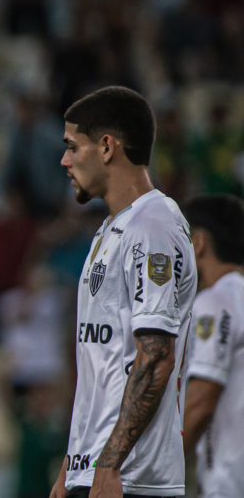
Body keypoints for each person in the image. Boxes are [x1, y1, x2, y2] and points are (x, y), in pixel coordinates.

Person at [50, 86, 197, 498]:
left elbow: (155, 357)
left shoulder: (153, 225)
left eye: (72, 147)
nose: (65, 160)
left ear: (107, 147)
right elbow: (103, 368)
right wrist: (71, 465)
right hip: (96, 470)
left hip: (130, 479)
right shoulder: (113, 229)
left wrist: (110, 464)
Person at [180, 194, 244, 497]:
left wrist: (158, 468)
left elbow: (201, 402)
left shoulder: (216, 302)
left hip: (230, 480)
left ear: (199, 242)